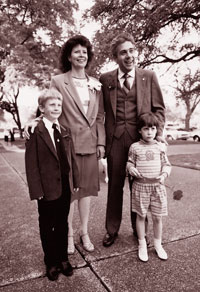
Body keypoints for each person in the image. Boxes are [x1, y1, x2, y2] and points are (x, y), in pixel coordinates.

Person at [25, 35, 105, 254]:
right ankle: (68, 234)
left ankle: (84, 232)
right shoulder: (59, 81)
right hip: (66, 147)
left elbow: (99, 117)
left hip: (90, 146)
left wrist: (101, 144)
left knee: (86, 193)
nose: (82, 55)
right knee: (68, 194)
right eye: (77, 51)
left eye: (85, 51)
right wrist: (35, 121)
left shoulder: (95, 84)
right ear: (69, 56)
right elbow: (49, 105)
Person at [99, 32, 166, 247]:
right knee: (115, 187)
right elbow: (99, 112)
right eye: (123, 53)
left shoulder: (148, 76)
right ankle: (112, 230)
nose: (129, 56)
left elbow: (159, 109)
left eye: (131, 50)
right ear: (115, 57)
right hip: (116, 141)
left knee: (141, 187)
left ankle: (140, 232)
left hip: (141, 142)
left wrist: (158, 136)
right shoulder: (105, 79)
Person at [25, 88, 79, 281]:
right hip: (46, 188)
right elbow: (31, 164)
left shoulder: (64, 130)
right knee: (47, 225)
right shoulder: (35, 131)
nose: (56, 108)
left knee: (63, 223)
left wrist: (76, 180)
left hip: (64, 184)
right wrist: (36, 189)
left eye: (59, 104)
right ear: (42, 108)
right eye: (52, 105)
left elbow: (71, 159)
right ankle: (51, 261)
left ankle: (63, 258)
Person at [126, 112, 171, 262]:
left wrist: (164, 175)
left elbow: (167, 165)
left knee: (157, 217)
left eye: (152, 129)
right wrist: (130, 168)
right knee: (141, 215)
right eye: (146, 129)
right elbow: (130, 162)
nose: (149, 132)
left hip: (157, 188)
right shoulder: (135, 147)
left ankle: (158, 244)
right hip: (140, 187)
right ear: (140, 130)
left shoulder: (160, 147)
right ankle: (142, 243)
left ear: (157, 130)